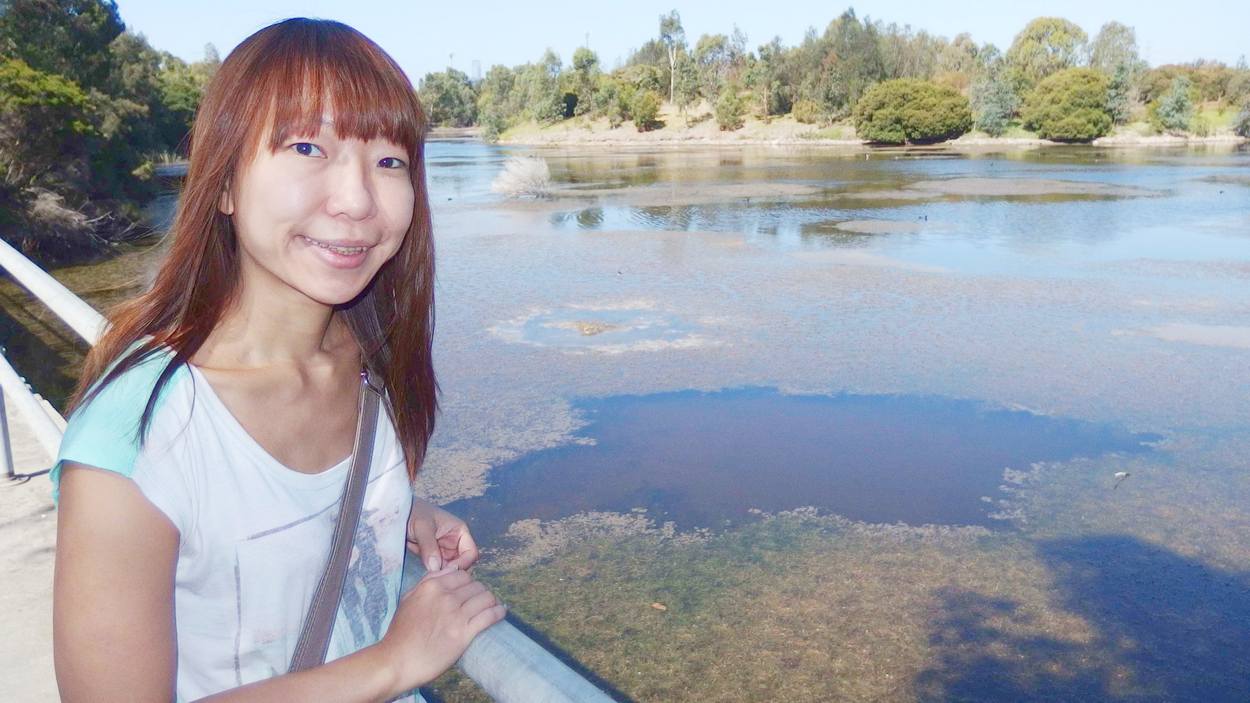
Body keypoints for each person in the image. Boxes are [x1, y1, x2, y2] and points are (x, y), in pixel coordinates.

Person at [50, 18, 506, 702]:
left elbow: (266, 514)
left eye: (389, 161)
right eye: (305, 146)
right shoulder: (137, 435)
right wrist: (390, 662)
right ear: (225, 186)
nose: (356, 200)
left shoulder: (370, 366)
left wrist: (399, 510)